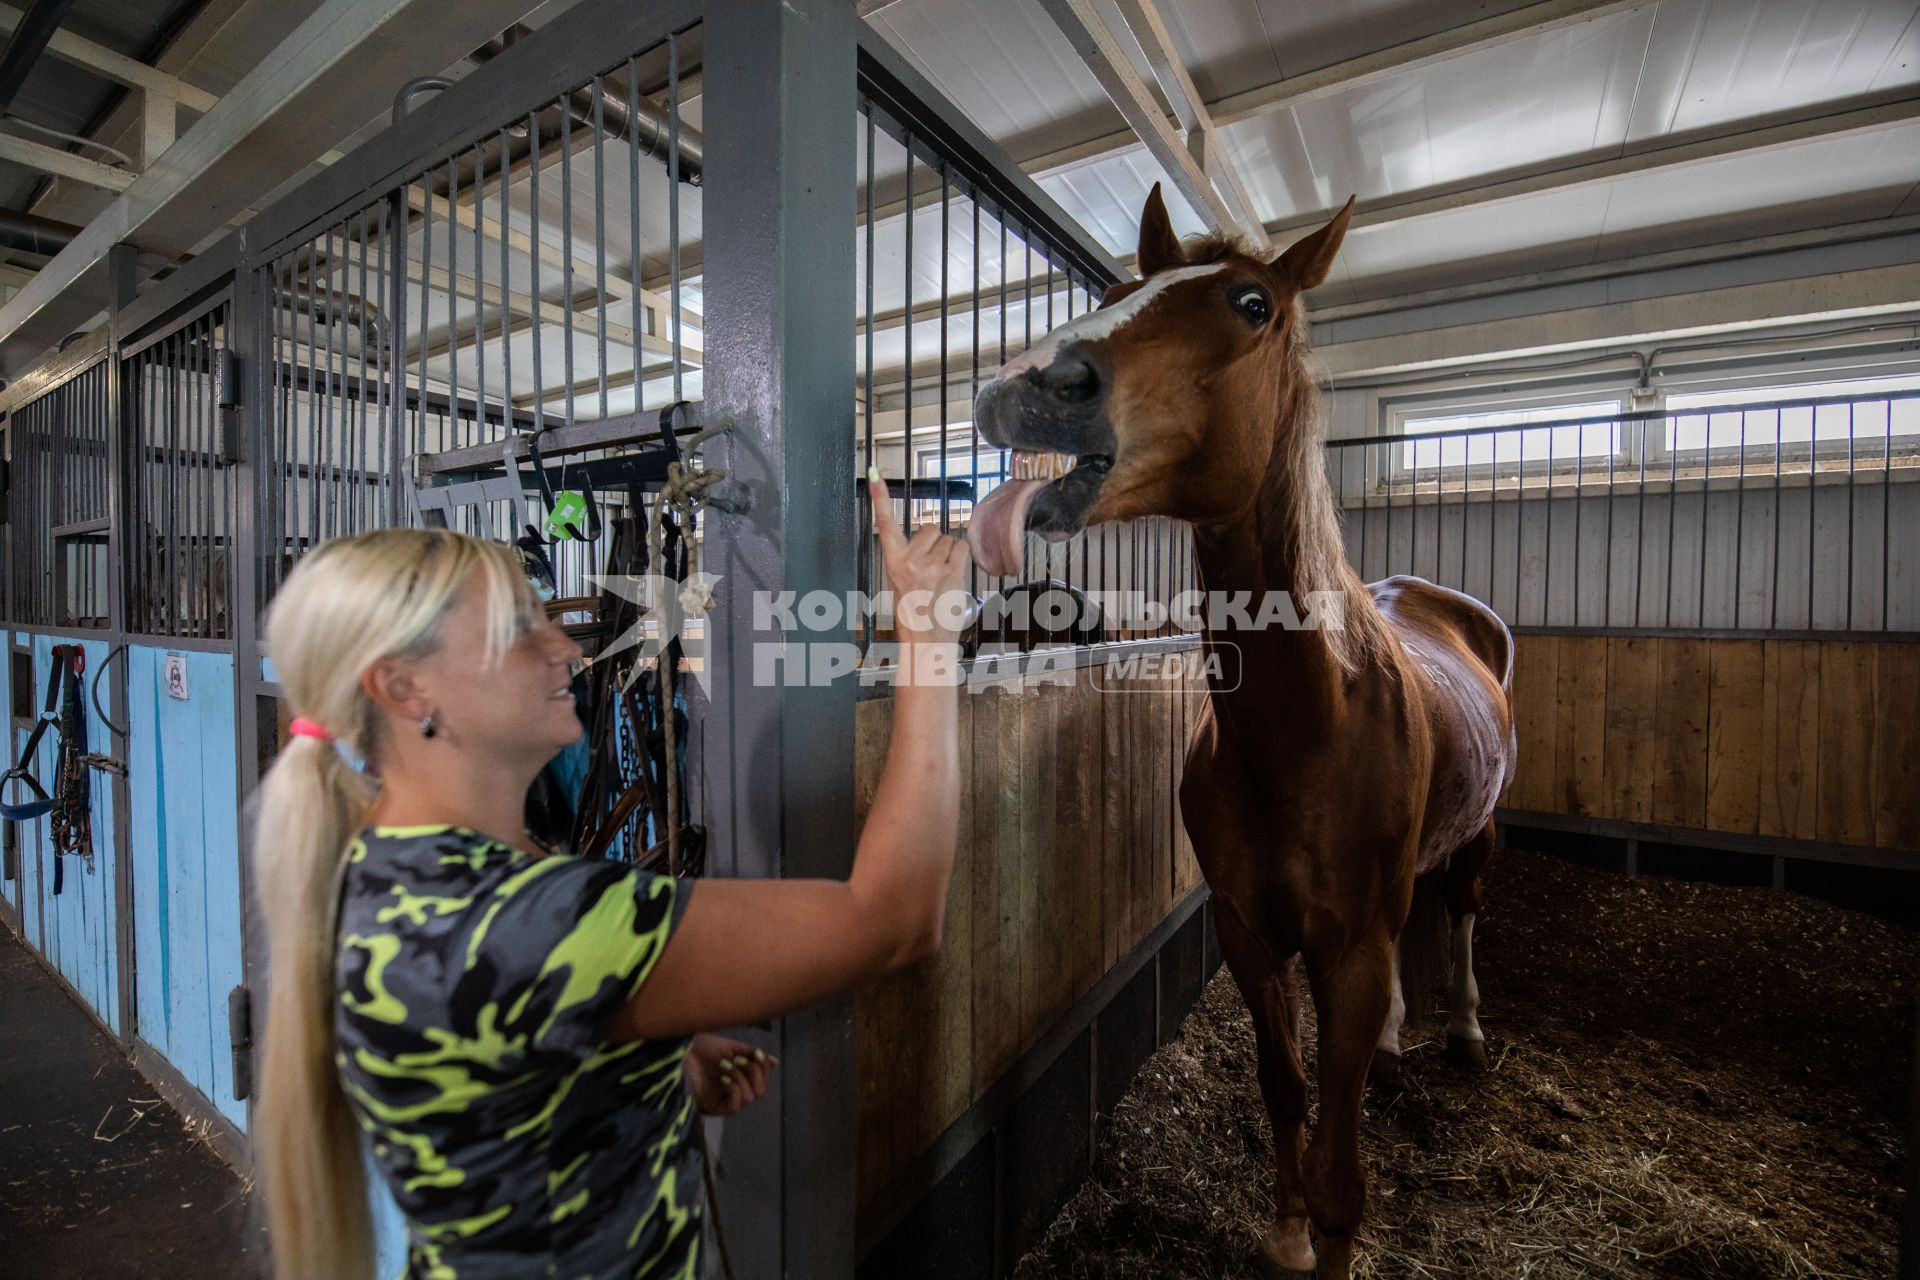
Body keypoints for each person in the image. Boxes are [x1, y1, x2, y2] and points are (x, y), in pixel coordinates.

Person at [251, 475, 968, 1280]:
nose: (564, 645)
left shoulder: (384, 862)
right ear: (404, 686)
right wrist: (928, 629)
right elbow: (893, 919)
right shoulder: (533, 920)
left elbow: (511, 1062)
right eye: (519, 628)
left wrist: (652, 1056)